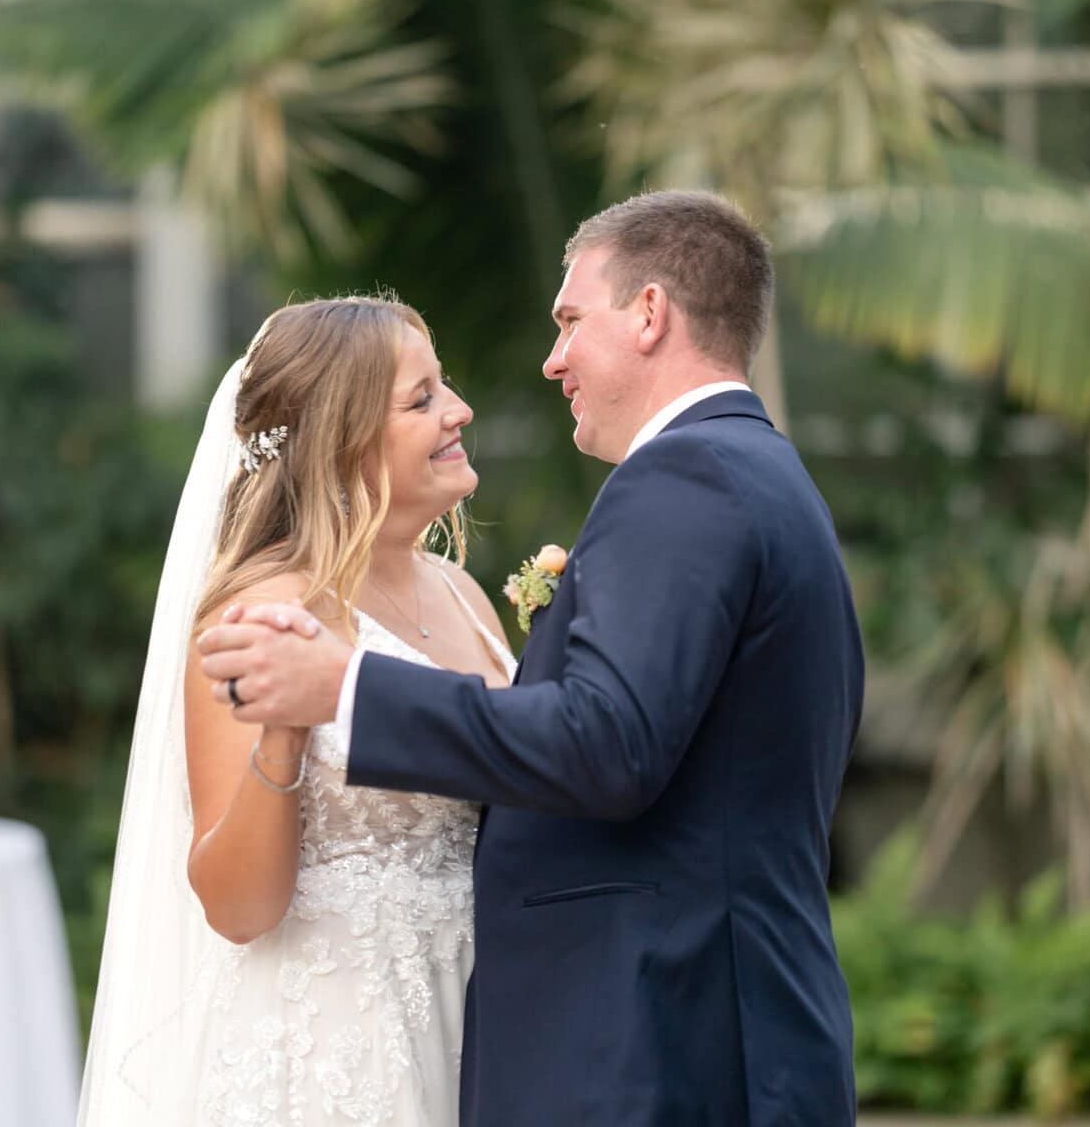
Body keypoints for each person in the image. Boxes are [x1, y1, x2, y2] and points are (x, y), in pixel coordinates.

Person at [200, 190, 865, 1125]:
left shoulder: (683, 478)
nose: (551, 359)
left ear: (649, 314)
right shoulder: (763, 473)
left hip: (663, 1042)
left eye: (569, 320)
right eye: (422, 395)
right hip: (517, 1035)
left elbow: (606, 743)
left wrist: (344, 691)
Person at [77, 296, 515, 1126]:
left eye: (443, 387)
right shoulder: (261, 613)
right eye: (421, 400)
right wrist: (285, 731)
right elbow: (238, 908)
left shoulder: (462, 593)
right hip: (328, 1054)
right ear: (340, 442)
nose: (458, 411)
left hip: (476, 1031)